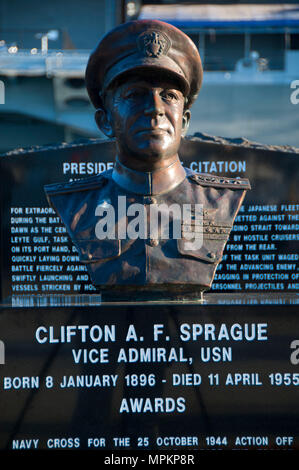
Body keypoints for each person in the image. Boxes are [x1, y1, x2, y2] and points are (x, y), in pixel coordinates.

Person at [44, 20, 250, 300]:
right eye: (134, 95)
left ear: (184, 121)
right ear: (105, 121)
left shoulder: (223, 199)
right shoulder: (76, 205)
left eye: (169, 96)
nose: (155, 109)